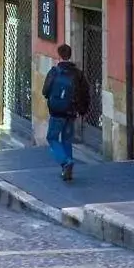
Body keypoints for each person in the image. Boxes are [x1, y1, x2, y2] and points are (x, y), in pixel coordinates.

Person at [41, 43, 91, 182]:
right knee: (67, 140)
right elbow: (85, 92)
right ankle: (67, 170)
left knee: (52, 138)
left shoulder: (54, 72)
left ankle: (65, 162)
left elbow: (45, 91)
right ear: (70, 55)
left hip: (57, 112)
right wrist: (83, 110)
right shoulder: (78, 74)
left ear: (59, 55)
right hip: (71, 113)